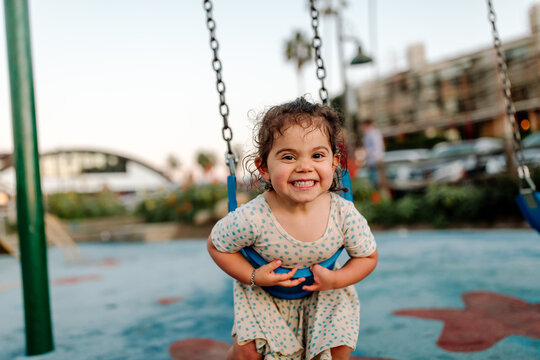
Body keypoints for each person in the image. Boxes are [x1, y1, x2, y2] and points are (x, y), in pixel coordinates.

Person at [207, 97, 378, 360]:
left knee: (338, 350)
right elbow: (217, 246)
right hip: (264, 294)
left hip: (324, 294)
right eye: (288, 156)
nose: (304, 167)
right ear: (263, 167)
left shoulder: (343, 213)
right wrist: (253, 276)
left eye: (317, 155)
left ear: (334, 163)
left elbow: (367, 256)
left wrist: (336, 280)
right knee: (248, 353)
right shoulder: (253, 217)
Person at [360, 119, 385, 189]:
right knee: (376, 180)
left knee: (377, 181)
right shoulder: (371, 133)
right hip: (374, 160)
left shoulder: (372, 134)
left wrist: (366, 152)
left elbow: (376, 148)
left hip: (375, 161)